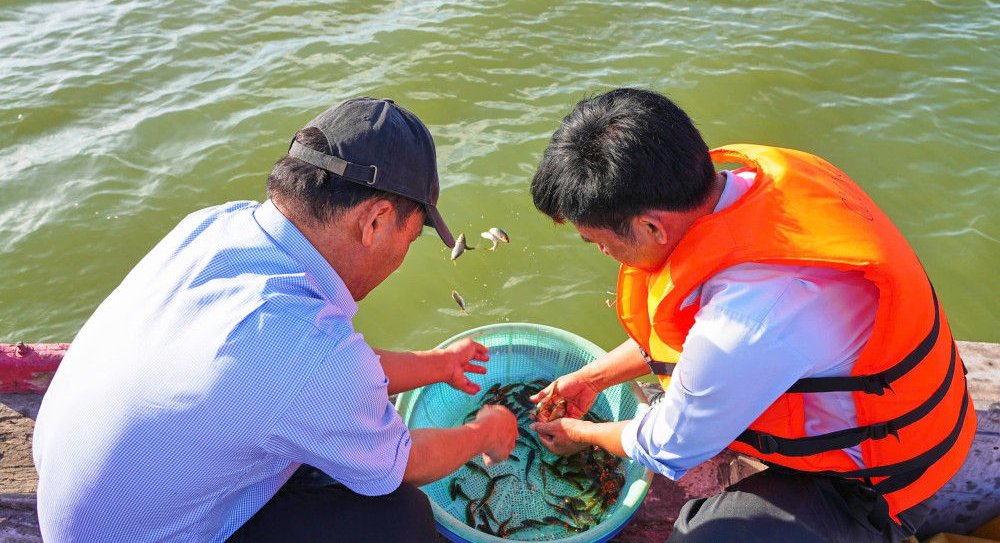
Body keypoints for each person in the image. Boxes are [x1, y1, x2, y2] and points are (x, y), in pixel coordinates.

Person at [32, 96, 519, 542]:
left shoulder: (216, 226)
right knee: (400, 520)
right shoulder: (310, 351)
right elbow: (401, 460)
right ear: (375, 221)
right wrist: (486, 431)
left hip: (76, 497)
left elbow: (302, 371)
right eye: (409, 239)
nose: (402, 257)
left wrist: (438, 365)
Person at [527, 88, 975, 542]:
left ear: (650, 226)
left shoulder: (747, 318)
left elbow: (670, 445)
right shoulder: (757, 187)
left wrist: (580, 433)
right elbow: (686, 335)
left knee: (702, 536)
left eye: (598, 241)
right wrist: (593, 378)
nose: (603, 252)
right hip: (902, 403)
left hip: (883, 482)